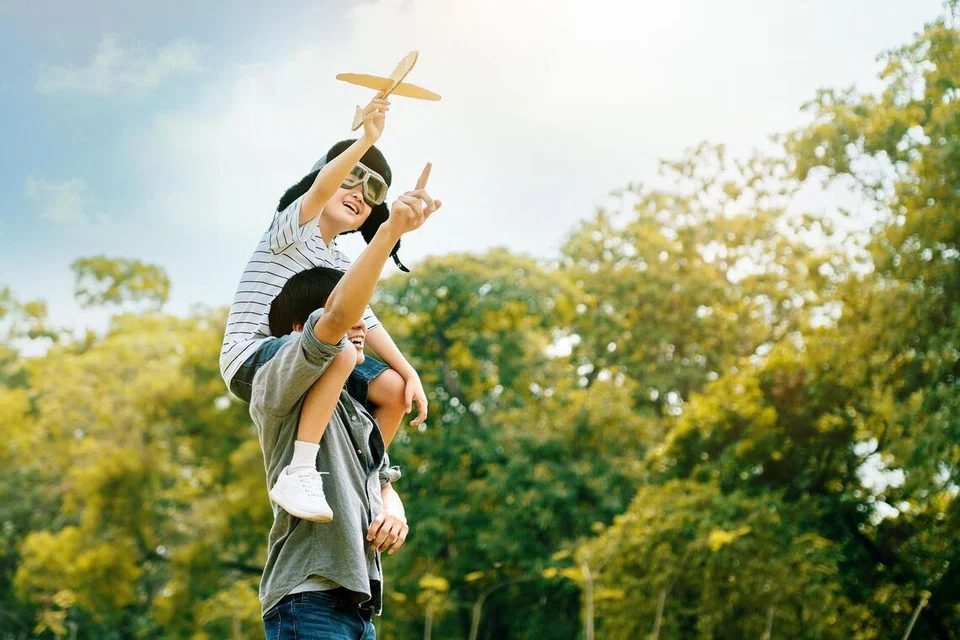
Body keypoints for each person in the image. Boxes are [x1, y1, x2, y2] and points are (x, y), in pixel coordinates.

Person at [219, 97, 428, 521]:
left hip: (311, 354)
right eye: (351, 178)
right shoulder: (290, 229)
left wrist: (410, 373)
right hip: (253, 357)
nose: (358, 194)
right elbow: (318, 190)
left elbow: (366, 321)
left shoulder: (342, 264)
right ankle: (299, 472)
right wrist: (366, 140)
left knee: (392, 391)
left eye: (372, 193)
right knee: (339, 346)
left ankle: (369, 481)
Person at [253, 178, 441, 638]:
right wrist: (390, 230)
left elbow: (377, 476)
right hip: (307, 600)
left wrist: (392, 507)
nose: (359, 326)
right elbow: (334, 322)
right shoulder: (278, 384)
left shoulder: (353, 415)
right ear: (299, 329)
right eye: (345, 316)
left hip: (358, 607)